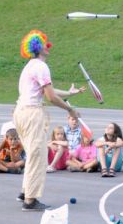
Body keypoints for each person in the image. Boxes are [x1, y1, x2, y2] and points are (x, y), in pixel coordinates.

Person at [15, 30, 83, 211]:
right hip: (32, 114)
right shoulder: (41, 67)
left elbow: (48, 90)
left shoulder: (30, 66)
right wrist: (70, 109)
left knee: (33, 154)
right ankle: (30, 200)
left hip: (21, 112)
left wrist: (69, 93)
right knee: (38, 156)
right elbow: (51, 97)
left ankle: (25, 191)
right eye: (45, 43)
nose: (48, 46)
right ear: (38, 47)